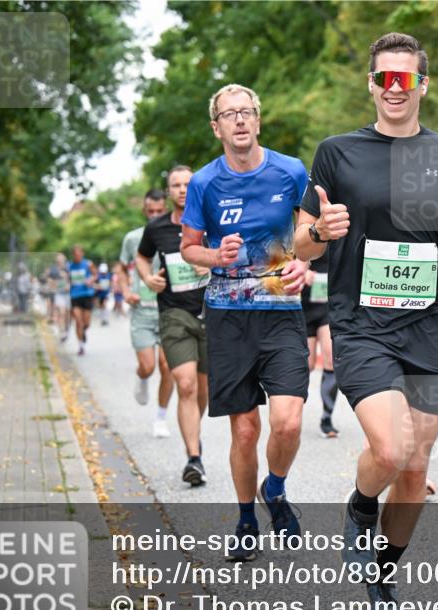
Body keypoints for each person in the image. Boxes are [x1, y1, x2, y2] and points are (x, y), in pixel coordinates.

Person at [295, 33, 438, 610]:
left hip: (431, 328)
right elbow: (300, 243)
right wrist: (321, 232)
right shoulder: (336, 153)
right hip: (362, 324)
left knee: (416, 468)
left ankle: (384, 573)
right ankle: (361, 507)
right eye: (384, 78)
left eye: (405, 78)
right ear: (371, 84)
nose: (395, 88)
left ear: (421, 84)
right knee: (392, 449)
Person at [179, 83, 310, 561]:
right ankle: (246, 519)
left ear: (258, 120)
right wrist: (215, 255)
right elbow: (188, 247)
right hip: (229, 314)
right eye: (229, 114)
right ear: (216, 127)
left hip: (281, 308)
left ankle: (273, 488)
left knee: (289, 422)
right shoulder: (204, 183)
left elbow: (312, 232)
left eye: (246, 112)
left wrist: (306, 262)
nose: (239, 120)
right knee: (245, 431)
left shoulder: (291, 170)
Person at [137, 166, 211, 487]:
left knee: (203, 390)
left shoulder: (214, 221)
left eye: (188, 184)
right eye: (176, 185)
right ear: (168, 191)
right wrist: (147, 277)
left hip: (212, 313)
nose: (182, 189)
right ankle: (193, 458)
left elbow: (235, 255)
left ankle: (194, 435)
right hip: (174, 315)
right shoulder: (156, 229)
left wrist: (206, 258)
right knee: (186, 385)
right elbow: (142, 257)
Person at [117, 188, 173, 439]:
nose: (154, 215)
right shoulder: (133, 238)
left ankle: (160, 418)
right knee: (148, 367)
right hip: (142, 312)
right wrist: (126, 291)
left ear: (166, 208)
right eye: (150, 211)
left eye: (159, 211)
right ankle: (141, 378)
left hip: (169, 311)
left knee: (167, 366)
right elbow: (120, 269)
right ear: (144, 211)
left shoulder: (176, 233)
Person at [301, 253, 341, 438]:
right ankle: (292, 413)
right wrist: (301, 269)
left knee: (330, 359)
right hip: (302, 306)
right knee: (305, 365)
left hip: (327, 305)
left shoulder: (337, 232)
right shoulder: (296, 232)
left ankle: (327, 418)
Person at [68, 245, 97, 355]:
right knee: (78, 321)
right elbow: (67, 278)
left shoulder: (88, 264)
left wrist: (91, 279)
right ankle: (81, 346)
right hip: (75, 295)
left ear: (82, 253)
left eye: (79, 254)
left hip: (87, 295)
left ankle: (84, 331)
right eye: (75, 255)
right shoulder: (70, 266)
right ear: (73, 255)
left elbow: (95, 274)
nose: (77, 256)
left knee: (87, 323)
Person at [48, 253, 72, 342]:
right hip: (59, 294)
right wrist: (54, 285)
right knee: (61, 313)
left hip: (68, 294)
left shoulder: (69, 267)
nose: (60, 260)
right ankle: (62, 332)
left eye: (61, 258)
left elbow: (73, 279)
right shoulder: (53, 269)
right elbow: (50, 280)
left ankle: (66, 330)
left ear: (64, 259)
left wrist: (69, 285)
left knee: (67, 314)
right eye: (58, 258)